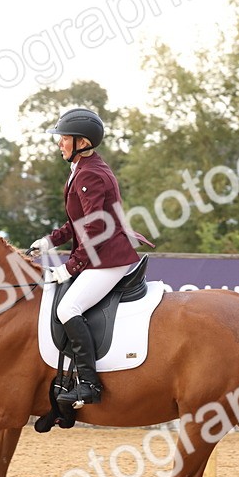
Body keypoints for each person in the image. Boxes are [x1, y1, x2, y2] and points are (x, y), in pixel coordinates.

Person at [29, 108, 151, 407]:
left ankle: (89, 385)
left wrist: (70, 268)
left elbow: (94, 229)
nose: (59, 144)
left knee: (68, 308)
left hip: (109, 257)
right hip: (102, 255)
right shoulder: (84, 170)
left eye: (64, 139)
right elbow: (78, 222)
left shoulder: (91, 174)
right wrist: (50, 241)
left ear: (81, 142)